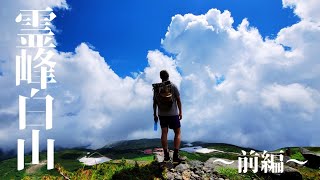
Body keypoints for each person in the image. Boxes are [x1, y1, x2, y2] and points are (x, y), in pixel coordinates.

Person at [153, 70, 183, 163]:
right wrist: (180, 112)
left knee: (164, 133)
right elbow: (178, 100)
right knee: (177, 133)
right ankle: (175, 156)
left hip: (162, 115)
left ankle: (166, 156)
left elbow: (155, 103)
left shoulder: (156, 88)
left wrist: (155, 114)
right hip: (173, 114)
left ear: (160, 77)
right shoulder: (173, 86)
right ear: (168, 76)